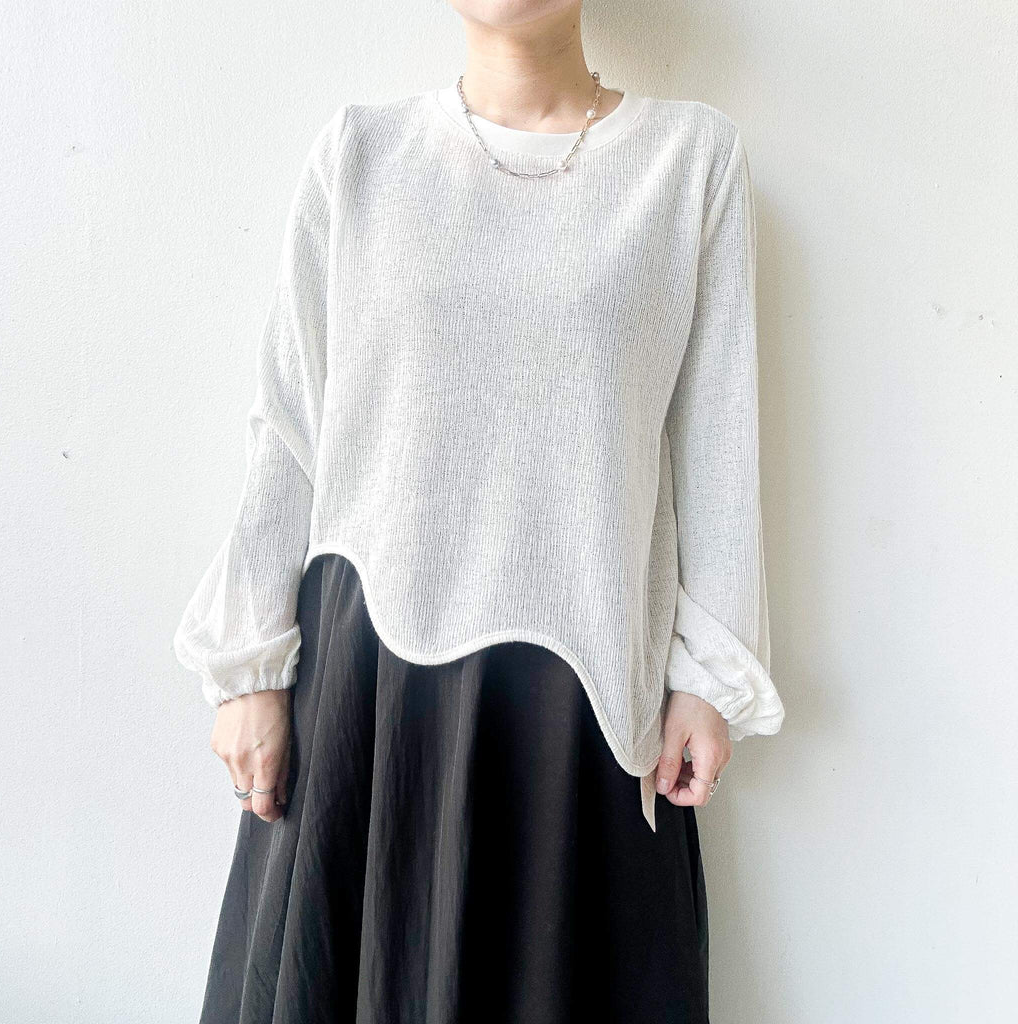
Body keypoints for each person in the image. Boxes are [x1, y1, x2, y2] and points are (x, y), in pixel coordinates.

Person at [172, 2, 785, 1020]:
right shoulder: (361, 153)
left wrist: (708, 679)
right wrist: (249, 668)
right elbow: (288, 424)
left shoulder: (689, 162)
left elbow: (718, 434)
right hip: (368, 697)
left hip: (584, 698)